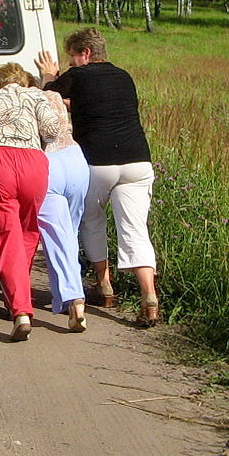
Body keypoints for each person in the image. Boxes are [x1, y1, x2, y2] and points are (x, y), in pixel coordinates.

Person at [38, 27, 160, 326]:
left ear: (86, 54)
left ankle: (104, 286)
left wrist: (49, 77)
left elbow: (47, 103)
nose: (70, 63)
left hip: (98, 161)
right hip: (137, 160)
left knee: (92, 220)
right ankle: (150, 295)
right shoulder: (124, 76)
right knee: (135, 228)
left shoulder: (76, 77)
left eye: (72, 57)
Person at [0, 63, 60, 341]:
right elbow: (51, 130)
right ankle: (18, 294)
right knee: (27, 231)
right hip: (32, 162)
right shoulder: (37, 95)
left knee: (5, 236)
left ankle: (20, 308)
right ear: (24, 81)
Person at [34, 85, 90, 331]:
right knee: (71, 234)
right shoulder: (54, 96)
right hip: (76, 159)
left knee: (57, 238)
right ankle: (62, 297)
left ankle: (73, 297)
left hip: (49, 162)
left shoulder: (27, 99)